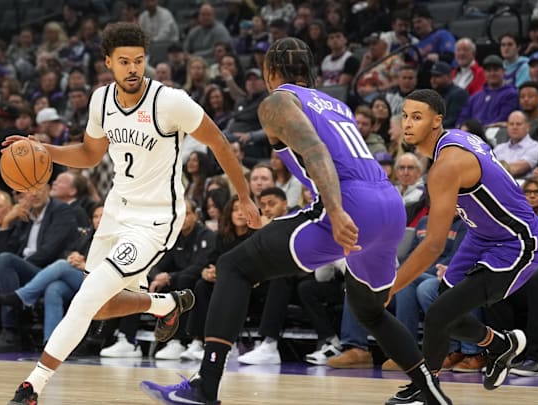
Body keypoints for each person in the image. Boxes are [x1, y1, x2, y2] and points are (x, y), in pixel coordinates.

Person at [140, 37, 451, 405]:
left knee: (234, 266)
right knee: (370, 308)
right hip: (390, 206)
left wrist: (335, 211)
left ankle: (206, 385)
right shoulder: (337, 104)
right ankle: (430, 391)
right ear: (310, 70)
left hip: (350, 202)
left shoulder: (277, 101)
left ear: (271, 72)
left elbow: (315, 150)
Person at [5, 23, 259, 404]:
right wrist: (45, 150)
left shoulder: (170, 102)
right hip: (116, 211)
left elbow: (219, 143)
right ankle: (167, 304)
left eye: (139, 61)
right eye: (124, 61)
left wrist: (244, 196)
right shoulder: (101, 101)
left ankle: (32, 386)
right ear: (108, 62)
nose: (133, 69)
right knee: (103, 306)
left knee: (87, 297)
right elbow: (90, 155)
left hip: (155, 219)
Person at [384, 89, 538, 403]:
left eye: (417, 117)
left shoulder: (446, 166)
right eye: (404, 115)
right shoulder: (460, 139)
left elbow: (433, 245)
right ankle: (499, 345)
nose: (407, 123)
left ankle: (425, 388)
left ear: (437, 121)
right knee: (445, 307)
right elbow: (502, 199)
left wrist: (390, 287)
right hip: (481, 235)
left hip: (514, 244)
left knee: (438, 314)